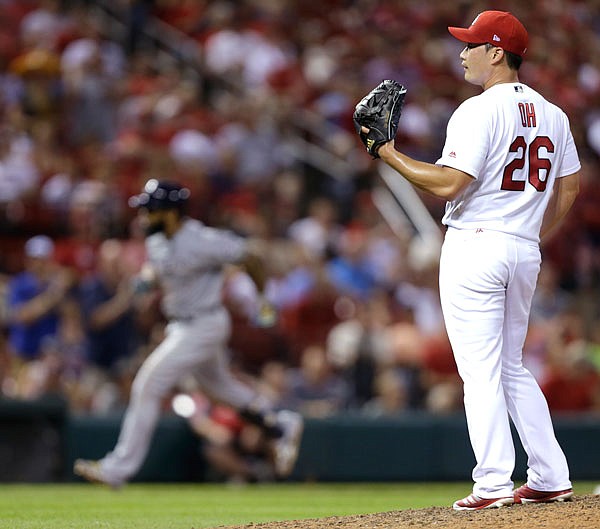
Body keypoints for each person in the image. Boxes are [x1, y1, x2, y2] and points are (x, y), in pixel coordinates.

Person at [357, 11, 580, 510]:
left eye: (472, 44)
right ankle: (550, 475)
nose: (462, 53)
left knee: (480, 372)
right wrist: (533, 231)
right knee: (513, 366)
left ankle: (493, 484)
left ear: (497, 52)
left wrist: (388, 154)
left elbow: (451, 184)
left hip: (477, 244)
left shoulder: (477, 110)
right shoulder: (554, 114)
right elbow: (570, 186)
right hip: (523, 248)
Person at [73, 179, 303, 487]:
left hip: (204, 322)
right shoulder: (157, 239)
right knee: (220, 391)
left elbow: (249, 255)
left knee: (148, 384)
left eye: (150, 209)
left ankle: (118, 468)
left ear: (170, 212)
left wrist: (261, 298)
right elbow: (158, 266)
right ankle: (280, 424)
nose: (143, 215)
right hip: (182, 324)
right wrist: (146, 279)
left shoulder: (200, 239)